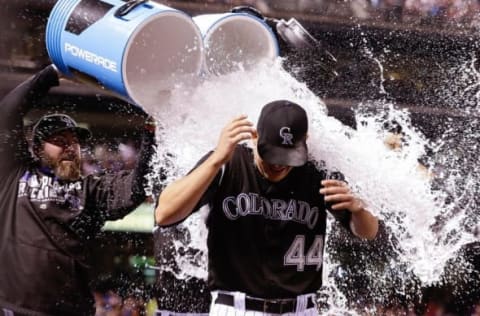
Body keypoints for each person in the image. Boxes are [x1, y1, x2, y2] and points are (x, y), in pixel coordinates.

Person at [155, 100, 379, 315]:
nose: (279, 164)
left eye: (288, 155)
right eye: (272, 154)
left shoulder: (317, 171)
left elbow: (368, 232)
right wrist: (216, 159)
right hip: (236, 308)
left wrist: (359, 209)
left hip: (302, 309)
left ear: (304, 141)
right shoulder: (228, 162)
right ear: (255, 136)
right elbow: (164, 214)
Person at [0, 65, 156, 316]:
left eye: (74, 141)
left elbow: (134, 189)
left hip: (70, 311)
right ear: (38, 149)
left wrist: (150, 132)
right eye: (59, 141)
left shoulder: (91, 189)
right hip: (12, 307)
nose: (70, 147)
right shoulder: (14, 172)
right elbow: (6, 112)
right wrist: (51, 74)